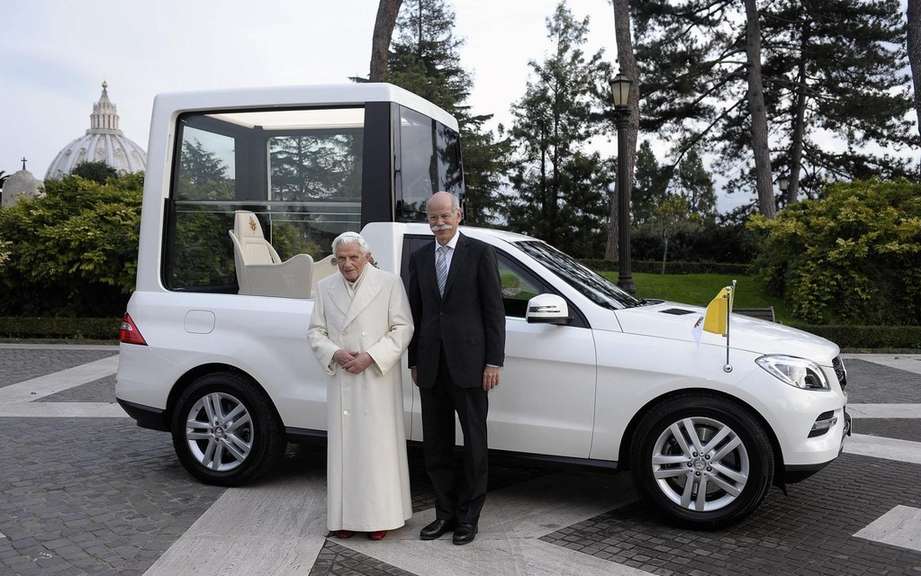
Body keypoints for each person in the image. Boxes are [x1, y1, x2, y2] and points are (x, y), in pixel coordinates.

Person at [406, 191, 506, 545]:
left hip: (472, 366)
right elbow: (414, 315)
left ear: (458, 215)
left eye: (445, 216)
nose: (439, 223)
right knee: (436, 446)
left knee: (475, 444)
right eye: (433, 217)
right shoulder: (418, 258)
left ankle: (469, 518)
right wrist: (414, 360)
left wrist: (494, 361)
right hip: (431, 367)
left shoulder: (480, 253)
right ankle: (444, 514)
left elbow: (494, 312)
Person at [308, 231, 414, 541]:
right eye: (341, 259)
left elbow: (403, 327)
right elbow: (315, 332)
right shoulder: (324, 287)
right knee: (345, 452)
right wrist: (335, 353)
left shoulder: (389, 282)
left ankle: (379, 517)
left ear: (366, 256)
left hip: (375, 378)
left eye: (353, 257)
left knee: (375, 452)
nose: (347, 264)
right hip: (343, 376)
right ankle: (343, 517)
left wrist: (372, 356)